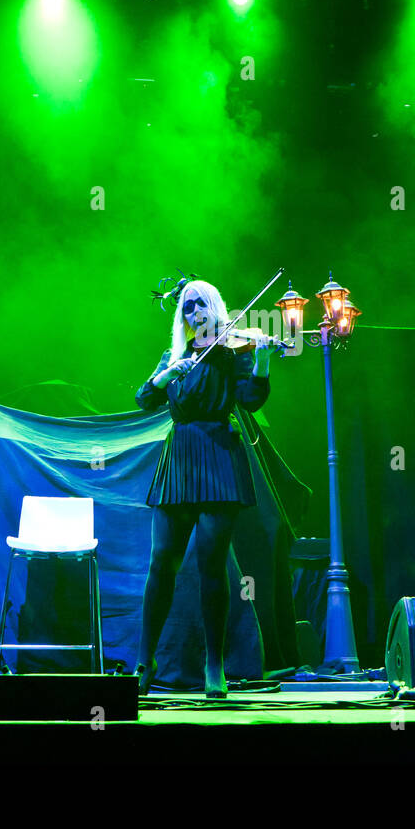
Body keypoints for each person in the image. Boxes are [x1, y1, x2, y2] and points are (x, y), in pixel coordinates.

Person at [133, 280, 275, 697]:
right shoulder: (173, 356)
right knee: (162, 562)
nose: (194, 312)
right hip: (179, 458)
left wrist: (263, 361)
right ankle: (146, 659)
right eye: (187, 306)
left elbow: (250, 400)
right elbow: (144, 399)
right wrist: (165, 376)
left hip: (218, 457)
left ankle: (215, 664)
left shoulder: (232, 353)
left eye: (201, 305)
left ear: (214, 307)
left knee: (212, 564)